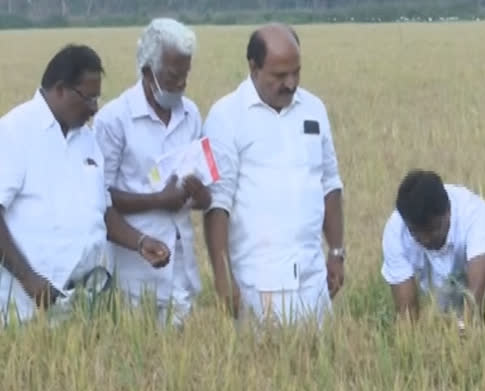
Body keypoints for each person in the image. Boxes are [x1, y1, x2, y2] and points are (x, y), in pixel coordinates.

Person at [0, 44, 171, 325]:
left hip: (84, 304)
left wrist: (140, 242)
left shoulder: (88, 140)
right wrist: (28, 278)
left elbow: (101, 211)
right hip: (26, 306)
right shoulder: (14, 133)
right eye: (88, 98)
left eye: (97, 98)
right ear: (60, 89)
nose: (94, 108)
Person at [202, 23, 344, 328]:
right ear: (253, 67)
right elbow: (218, 205)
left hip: (313, 279)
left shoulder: (314, 109)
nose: (290, 83)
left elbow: (330, 184)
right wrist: (223, 278)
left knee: (322, 367)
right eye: (279, 76)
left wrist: (336, 251)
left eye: (296, 72)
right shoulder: (226, 116)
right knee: (264, 372)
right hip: (258, 283)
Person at [93, 18, 210, 327]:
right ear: (147, 72)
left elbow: (206, 190)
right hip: (133, 270)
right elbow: (98, 198)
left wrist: (200, 195)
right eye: (173, 76)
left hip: (181, 266)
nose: (182, 84)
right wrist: (159, 200)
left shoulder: (191, 114)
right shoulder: (114, 120)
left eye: (186, 75)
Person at [381, 169, 485, 324]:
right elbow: (407, 316)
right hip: (451, 290)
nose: (426, 240)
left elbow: (480, 282)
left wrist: (466, 326)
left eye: (433, 229)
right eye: (416, 233)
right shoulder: (395, 232)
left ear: (448, 212)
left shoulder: (474, 213)